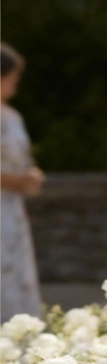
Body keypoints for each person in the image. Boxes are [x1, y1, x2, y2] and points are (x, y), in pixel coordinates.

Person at [0, 42, 44, 321]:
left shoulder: (13, 117)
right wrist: (15, 180)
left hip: (11, 212)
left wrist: (31, 176)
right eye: (12, 78)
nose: (15, 85)